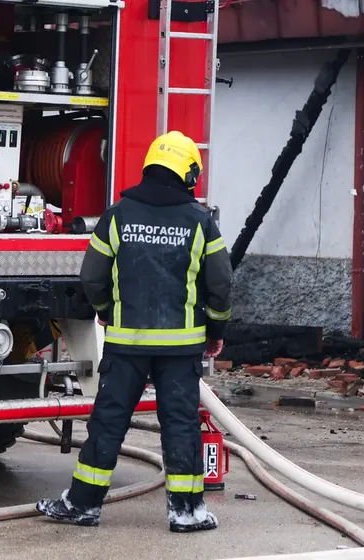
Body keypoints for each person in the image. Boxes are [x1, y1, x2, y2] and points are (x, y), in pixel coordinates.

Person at [36, 131, 234, 532]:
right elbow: (221, 285)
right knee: (180, 424)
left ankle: (83, 505)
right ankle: (187, 511)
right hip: (181, 350)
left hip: (126, 345)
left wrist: (107, 311)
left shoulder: (118, 215)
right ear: (188, 173)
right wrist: (215, 329)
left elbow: (92, 276)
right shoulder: (200, 222)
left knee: (109, 422)